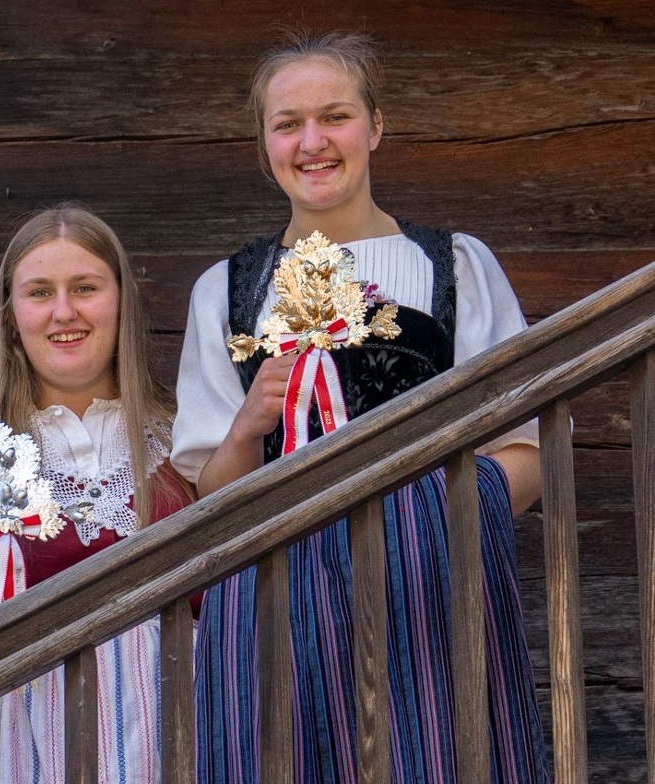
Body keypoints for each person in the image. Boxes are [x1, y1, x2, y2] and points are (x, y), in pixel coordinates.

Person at [171, 30, 550, 784]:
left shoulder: (452, 266)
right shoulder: (227, 290)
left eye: (335, 116)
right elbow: (210, 496)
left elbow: (528, 450)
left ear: (375, 126)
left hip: (429, 587)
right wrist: (248, 427)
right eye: (288, 124)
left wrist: (430, 520)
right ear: (265, 145)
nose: (312, 142)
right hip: (274, 599)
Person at [0, 204, 193, 783]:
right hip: (15, 752)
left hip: (174, 745)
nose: (64, 312)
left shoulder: (188, 445)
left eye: (85, 288)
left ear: (122, 301)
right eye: (40, 292)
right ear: (11, 315)